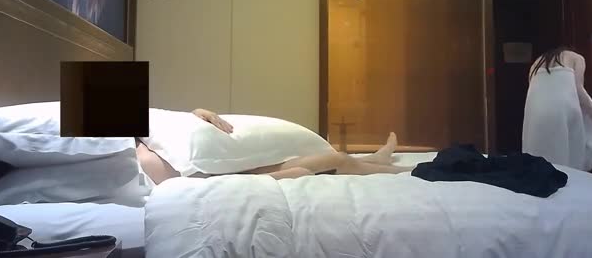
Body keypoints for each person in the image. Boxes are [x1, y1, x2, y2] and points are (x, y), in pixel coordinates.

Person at [136, 108, 412, 184]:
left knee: (334, 158)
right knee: (334, 160)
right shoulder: (135, 156)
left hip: (229, 168)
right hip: (229, 176)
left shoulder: (150, 134)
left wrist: (196, 114)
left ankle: (377, 160)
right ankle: (407, 173)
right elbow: (192, 177)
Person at [522, 47, 592, 171]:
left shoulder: (536, 63)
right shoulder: (577, 58)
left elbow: (535, 94)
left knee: (538, 158)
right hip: (562, 109)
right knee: (570, 158)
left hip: (535, 113)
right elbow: (579, 91)